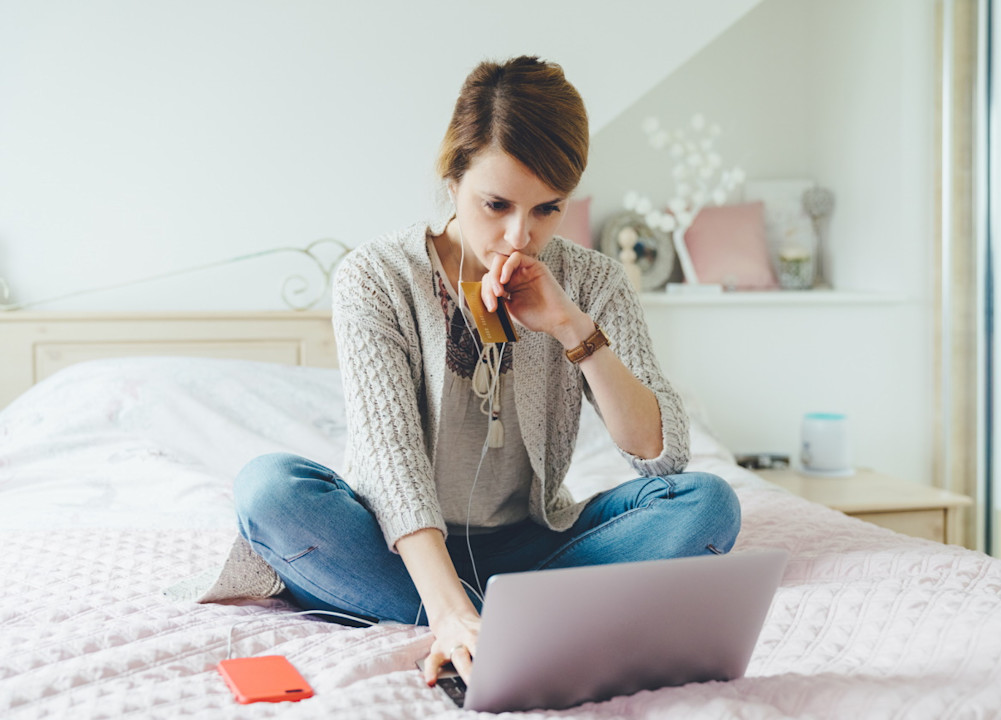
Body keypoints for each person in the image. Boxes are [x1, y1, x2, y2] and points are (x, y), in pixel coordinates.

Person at [228, 56, 741, 688]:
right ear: (453, 177)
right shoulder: (378, 277)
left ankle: (472, 614)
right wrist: (448, 614)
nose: (519, 235)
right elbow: (389, 464)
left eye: (548, 209)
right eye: (495, 203)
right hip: (400, 545)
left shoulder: (591, 281)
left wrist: (572, 329)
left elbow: (662, 458)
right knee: (268, 490)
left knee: (707, 505)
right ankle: (490, 615)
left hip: (533, 544)